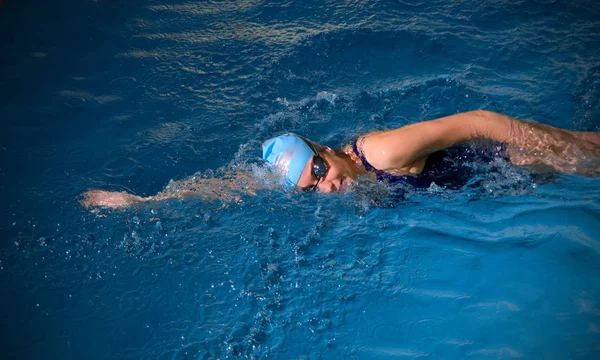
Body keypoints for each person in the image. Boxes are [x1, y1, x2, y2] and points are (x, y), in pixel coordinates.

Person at [81, 110, 600, 209]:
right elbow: (234, 187)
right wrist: (143, 200)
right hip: (491, 183)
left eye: (320, 172)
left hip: (508, 152)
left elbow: (474, 121)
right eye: (312, 189)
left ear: (328, 151)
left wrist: (555, 147)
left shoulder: (382, 153)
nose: (325, 187)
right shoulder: (337, 180)